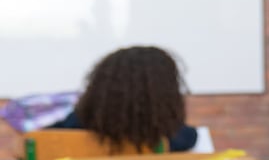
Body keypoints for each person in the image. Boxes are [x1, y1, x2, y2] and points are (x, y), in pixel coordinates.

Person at [53, 45, 197, 152]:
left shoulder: (73, 126)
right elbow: (188, 136)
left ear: (101, 87)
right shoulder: (178, 138)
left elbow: (46, 135)